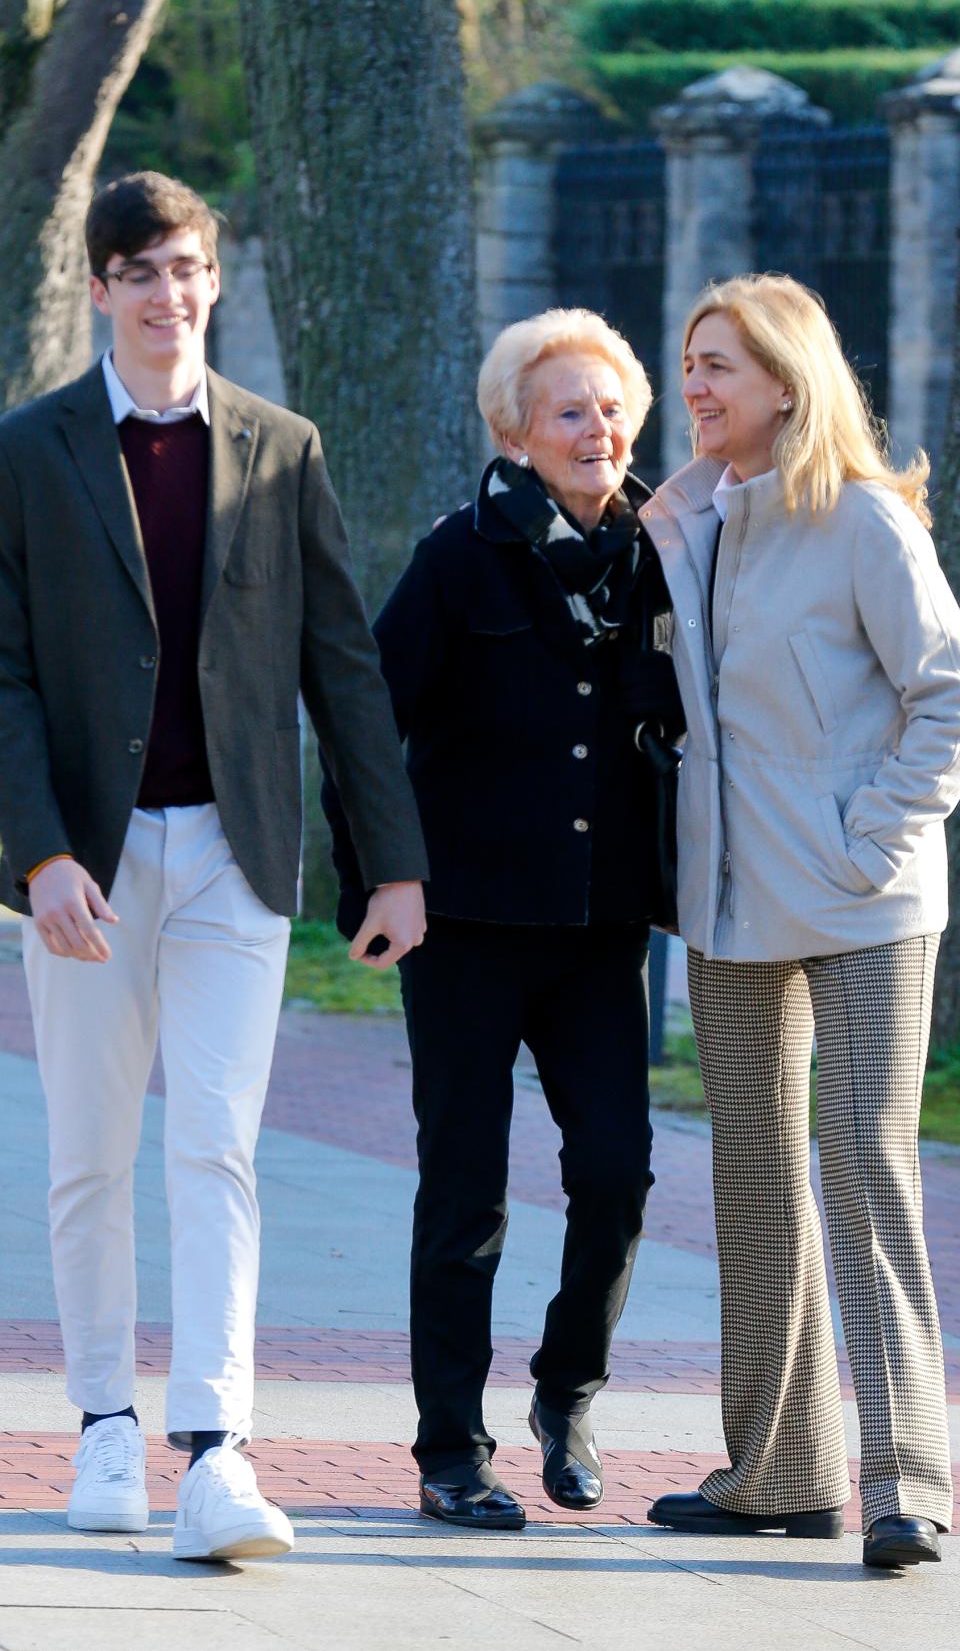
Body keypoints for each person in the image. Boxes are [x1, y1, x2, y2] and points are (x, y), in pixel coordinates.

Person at [0, 171, 428, 1561]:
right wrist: (41, 852)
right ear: (102, 286)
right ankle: (106, 1427)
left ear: (214, 279)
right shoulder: (32, 449)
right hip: (89, 868)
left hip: (238, 855)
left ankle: (217, 1448)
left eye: (186, 268)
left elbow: (343, 667)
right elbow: (0, 674)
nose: (167, 294)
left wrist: (393, 863)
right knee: (87, 1154)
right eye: (139, 271)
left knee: (217, 1149)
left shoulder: (280, 445)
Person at [324, 308, 685, 1529]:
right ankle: (450, 1449)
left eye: (614, 405)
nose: (599, 428)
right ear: (515, 431)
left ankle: (567, 1393)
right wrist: (388, 873)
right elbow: (367, 721)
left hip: (603, 932)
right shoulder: (457, 557)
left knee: (620, 1173)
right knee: (465, 1188)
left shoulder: (665, 550)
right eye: (570, 409)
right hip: (468, 926)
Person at [641, 272, 960, 1568]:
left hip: (868, 900)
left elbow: (944, 692)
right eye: (690, 363)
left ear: (788, 378)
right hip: (726, 901)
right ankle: (779, 1469)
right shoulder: (693, 521)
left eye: (720, 364)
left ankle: (908, 1481)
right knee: (758, 1180)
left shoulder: (869, 523)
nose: (697, 388)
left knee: (865, 1165)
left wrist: (870, 837)